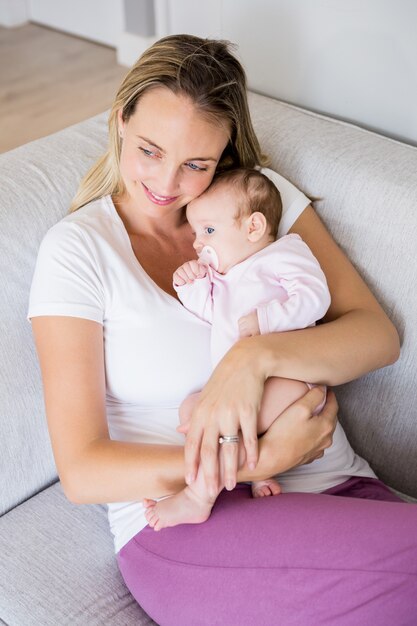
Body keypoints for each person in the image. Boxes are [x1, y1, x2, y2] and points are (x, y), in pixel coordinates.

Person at [28, 34, 417, 625]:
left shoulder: (254, 204)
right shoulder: (79, 250)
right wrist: (248, 463)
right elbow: (83, 471)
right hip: (194, 525)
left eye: (197, 164)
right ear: (118, 122)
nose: (167, 184)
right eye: (149, 150)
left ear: (226, 151)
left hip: (340, 488)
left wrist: (251, 359)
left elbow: (375, 336)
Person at [143, 167, 379, 531]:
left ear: (253, 227)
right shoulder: (224, 280)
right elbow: (211, 315)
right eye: (195, 234)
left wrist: (267, 320)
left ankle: (199, 495)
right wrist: (190, 286)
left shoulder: (283, 254)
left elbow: (315, 297)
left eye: (208, 231)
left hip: (292, 384)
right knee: (193, 407)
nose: (197, 243)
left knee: (222, 422)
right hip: (241, 391)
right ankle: (261, 475)